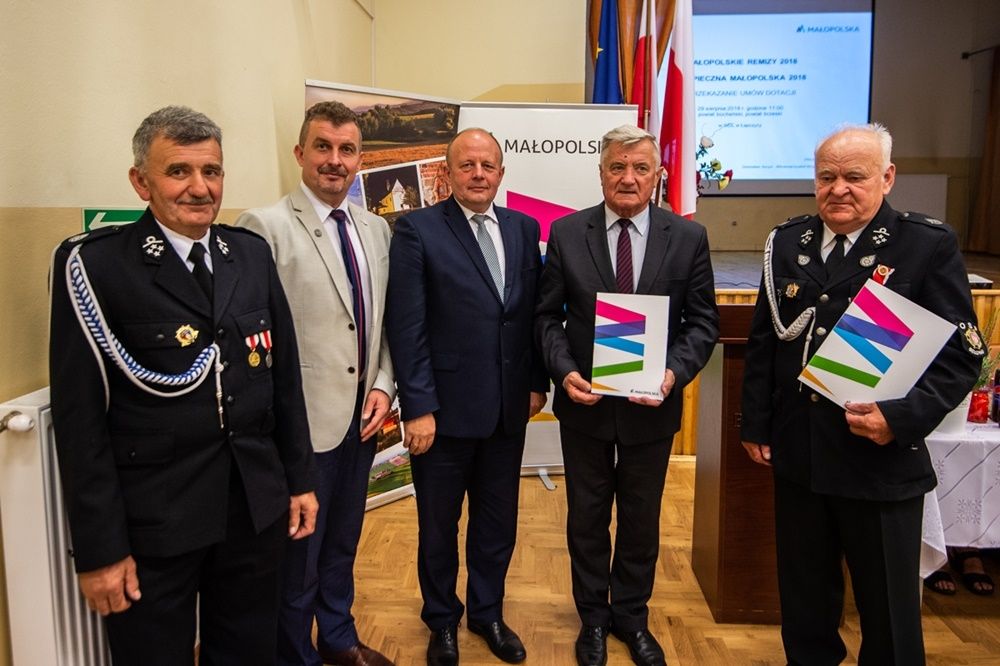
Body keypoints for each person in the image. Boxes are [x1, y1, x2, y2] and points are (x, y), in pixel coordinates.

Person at [48, 105, 318, 665]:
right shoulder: (99, 268)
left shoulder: (249, 254)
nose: (200, 188)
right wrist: (100, 551)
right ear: (140, 182)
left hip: (252, 510)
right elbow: (80, 424)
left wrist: (299, 482)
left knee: (248, 652)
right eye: (179, 171)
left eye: (211, 171)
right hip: (155, 522)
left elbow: (283, 381)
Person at [740, 123, 982, 665]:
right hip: (801, 456)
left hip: (878, 460)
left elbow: (962, 355)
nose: (838, 189)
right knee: (805, 607)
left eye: (855, 176)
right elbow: (765, 341)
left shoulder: (924, 244)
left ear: (887, 177)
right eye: (826, 177)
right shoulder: (788, 242)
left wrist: (899, 418)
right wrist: (755, 424)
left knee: (889, 615)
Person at [535, 124, 719, 666]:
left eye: (640, 168)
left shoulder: (687, 237)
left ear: (657, 175)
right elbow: (546, 317)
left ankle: (632, 619)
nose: (628, 178)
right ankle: (593, 619)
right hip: (585, 406)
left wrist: (672, 374)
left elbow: (702, 323)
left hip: (651, 408)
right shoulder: (567, 232)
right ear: (601, 173)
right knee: (587, 519)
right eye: (617, 167)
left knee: (640, 522)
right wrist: (564, 371)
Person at [235, 101, 396, 666]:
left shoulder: (376, 229)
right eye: (323, 147)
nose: (335, 160)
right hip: (301, 427)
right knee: (298, 553)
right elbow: (252, 344)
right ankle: (293, 654)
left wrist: (384, 384)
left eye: (347, 149)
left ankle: (337, 637)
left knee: (343, 540)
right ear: (300, 153)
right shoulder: (264, 228)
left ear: (360, 159)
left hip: (362, 420)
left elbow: (383, 322)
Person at [386, 127, 548, 666]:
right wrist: (418, 407)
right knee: (438, 528)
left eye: (488, 165)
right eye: (467, 165)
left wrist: (536, 383)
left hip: (507, 411)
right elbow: (407, 326)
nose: (478, 174)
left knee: (497, 525)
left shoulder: (524, 228)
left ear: (501, 172)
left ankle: (487, 613)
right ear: (447, 173)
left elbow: (530, 316)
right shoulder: (417, 230)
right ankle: (441, 620)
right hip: (443, 415)